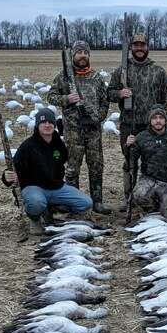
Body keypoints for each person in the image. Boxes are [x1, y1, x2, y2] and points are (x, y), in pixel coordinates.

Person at [108, 33, 167, 211]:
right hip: (129, 124)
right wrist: (119, 94)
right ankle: (128, 197)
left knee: (153, 161)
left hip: (151, 127)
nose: (139, 48)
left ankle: (151, 195)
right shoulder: (122, 70)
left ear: (147, 47)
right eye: (135, 45)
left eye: (142, 45)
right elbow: (109, 92)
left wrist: (163, 123)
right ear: (131, 48)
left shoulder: (158, 71)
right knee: (129, 161)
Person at [2, 108, 92, 235]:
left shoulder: (59, 144)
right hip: (33, 187)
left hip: (56, 187)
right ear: (37, 125)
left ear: (54, 125)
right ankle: (35, 218)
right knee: (36, 203)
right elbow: (12, 169)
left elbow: (63, 160)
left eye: (50, 122)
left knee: (85, 202)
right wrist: (6, 176)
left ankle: (53, 211)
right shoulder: (28, 146)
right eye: (43, 122)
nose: (47, 125)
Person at [48, 39, 111, 214]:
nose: (82, 56)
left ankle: (97, 202)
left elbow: (105, 101)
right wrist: (66, 99)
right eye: (79, 53)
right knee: (72, 168)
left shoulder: (96, 77)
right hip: (73, 132)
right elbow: (51, 96)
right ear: (73, 55)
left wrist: (100, 116)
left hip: (93, 132)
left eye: (85, 53)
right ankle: (72, 202)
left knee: (96, 165)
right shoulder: (64, 77)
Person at [126, 106, 167, 222]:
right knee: (139, 195)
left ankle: (166, 202)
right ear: (150, 120)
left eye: (161, 118)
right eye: (154, 118)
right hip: (149, 179)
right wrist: (129, 146)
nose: (158, 120)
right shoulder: (142, 137)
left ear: (165, 120)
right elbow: (131, 160)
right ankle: (152, 207)